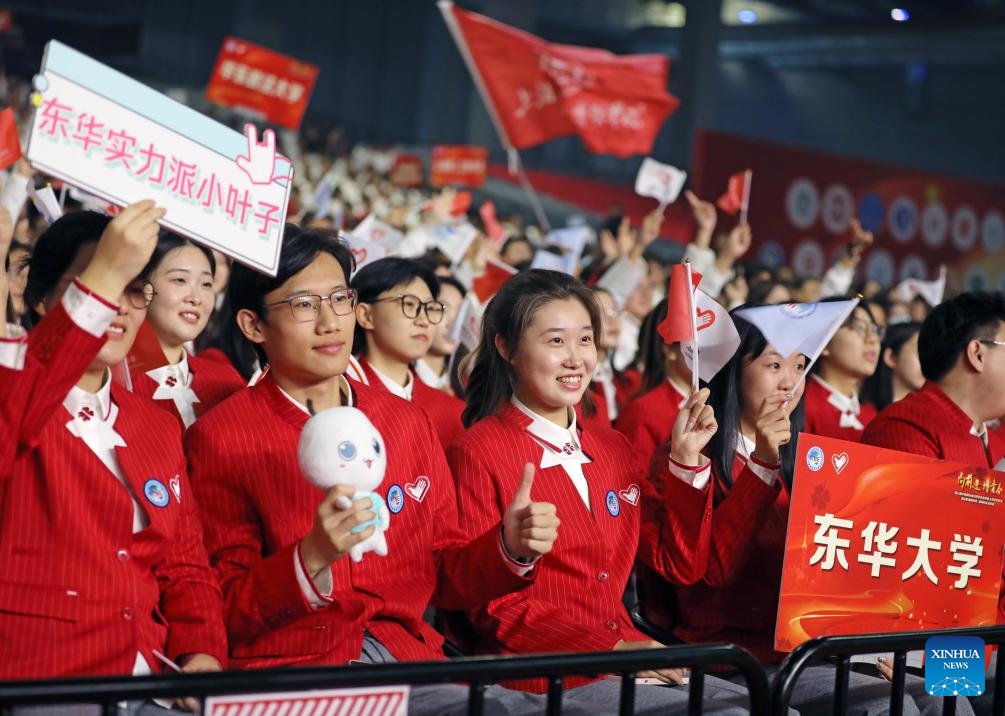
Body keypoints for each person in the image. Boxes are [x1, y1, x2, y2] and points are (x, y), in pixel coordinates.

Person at [185, 226, 568, 716]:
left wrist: (506, 548)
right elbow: (223, 607)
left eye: (339, 298)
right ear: (253, 325)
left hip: (407, 660)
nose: (330, 322)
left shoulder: (406, 423)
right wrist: (311, 558)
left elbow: (445, 573)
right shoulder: (222, 437)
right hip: (298, 674)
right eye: (303, 305)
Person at [448, 269, 751, 715]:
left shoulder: (611, 447)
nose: (575, 359)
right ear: (506, 347)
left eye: (585, 340)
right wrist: (613, 647)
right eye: (555, 341)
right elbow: (492, 609)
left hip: (631, 663)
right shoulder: (477, 451)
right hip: (542, 675)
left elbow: (679, 563)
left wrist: (687, 461)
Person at [639, 310, 924, 715]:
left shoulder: (810, 458)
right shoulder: (688, 456)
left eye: (799, 366)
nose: (790, 382)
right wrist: (762, 466)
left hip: (816, 650)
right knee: (887, 707)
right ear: (732, 371)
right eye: (774, 364)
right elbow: (714, 572)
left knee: (941, 693)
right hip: (732, 658)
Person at [1, 203, 225, 709]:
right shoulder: (12, 395)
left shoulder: (155, 424)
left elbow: (186, 566)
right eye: (102, 284)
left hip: (152, 682)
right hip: (43, 679)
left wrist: (202, 649)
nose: (119, 308)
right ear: (40, 298)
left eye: (133, 289)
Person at [125, 233, 244, 428]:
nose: (196, 298)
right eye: (180, 280)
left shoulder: (226, 382)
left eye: (206, 284)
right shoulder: (114, 377)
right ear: (142, 288)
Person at [349, 257, 465, 449]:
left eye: (429, 308)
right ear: (366, 315)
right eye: (409, 304)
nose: (423, 321)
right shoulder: (342, 398)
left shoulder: (452, 412)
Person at [803, 303, 882, 441]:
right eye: (858, 327)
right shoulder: (801, 405)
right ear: (824, 343)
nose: (873, 339)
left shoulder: (871, 414)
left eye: (874, 330)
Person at [413, 274, 465, 395]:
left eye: (460, 312)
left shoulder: (469, 387)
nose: (453, 323)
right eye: (439, 309)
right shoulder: (403, 381)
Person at [860, 321, 924, 411]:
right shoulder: (861, 412)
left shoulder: (929, 414)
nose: (928, 363)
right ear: (891, 357)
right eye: (921, 354)